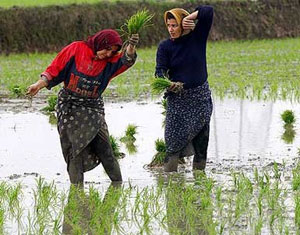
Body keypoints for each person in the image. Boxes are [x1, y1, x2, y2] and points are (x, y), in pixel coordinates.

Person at [27, 29, 139, 186]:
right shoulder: (76, 49)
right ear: (100, 43)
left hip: (93, 108)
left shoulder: (110, 62)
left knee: (105, 148)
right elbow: (55, 69)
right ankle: (77, 192)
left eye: (112, 51)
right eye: (107, 49)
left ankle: (118, 186)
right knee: (75, 151)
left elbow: (126, 60)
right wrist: (38, 85)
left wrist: (131, 46)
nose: (108, 54)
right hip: (70, 106)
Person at [155, 6, 214, 172]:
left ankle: (200, 182)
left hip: (200, 100)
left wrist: (191, 18)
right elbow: (159, 71)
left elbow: (208, 11)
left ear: (183, 24)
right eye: (168, 25)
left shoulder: (197, 38)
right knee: (172, 145)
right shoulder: (165, 47)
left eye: (174, 25)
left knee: (201, 146)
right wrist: (168, 83)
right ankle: (170, 184)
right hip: (178, 101)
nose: (171, 29)